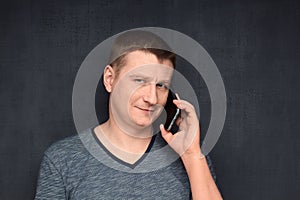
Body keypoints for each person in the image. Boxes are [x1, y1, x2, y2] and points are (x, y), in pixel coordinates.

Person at [35, 30, 223, 199]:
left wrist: (191, 155)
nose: (151, 97)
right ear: (110, 79)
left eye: (161, 85)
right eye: (139, 80)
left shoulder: (191, 156)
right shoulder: (63, 159)